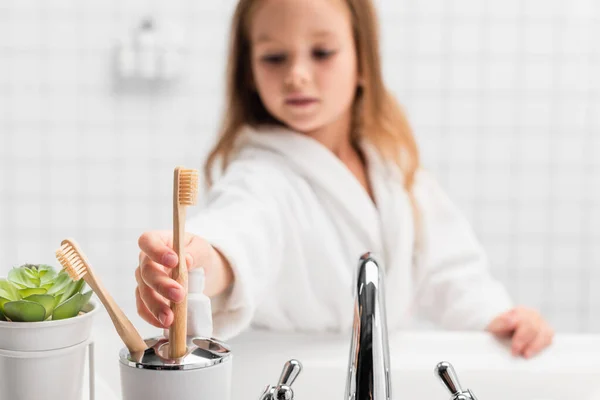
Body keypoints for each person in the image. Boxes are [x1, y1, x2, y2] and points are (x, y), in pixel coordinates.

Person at [134, 0, 554, 358]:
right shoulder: (263, 177)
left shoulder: (393, 168)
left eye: (322, 52)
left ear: (362, 63)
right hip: (295, 378)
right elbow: (241, 231)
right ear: (248, 71)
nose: (297, 73)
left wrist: (499, 321)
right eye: (274, 57)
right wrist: (194, 261)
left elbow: (451, 271)